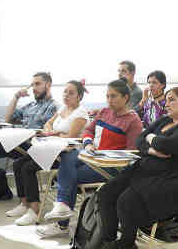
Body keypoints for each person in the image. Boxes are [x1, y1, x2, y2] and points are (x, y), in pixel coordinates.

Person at [85, 87, 178, 249]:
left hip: (171, 180)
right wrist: (151, 149)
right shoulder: (164, 120)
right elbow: (139, 139)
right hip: (144, 171)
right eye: (166, 100)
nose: (167, 104)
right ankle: (108, 239)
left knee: (126, 200)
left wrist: (151, 138)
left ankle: (126, 243)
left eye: (172, 100)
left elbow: (166, 146)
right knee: (106, 192)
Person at [42, 80, 143, 231]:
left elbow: (131, 153)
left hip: (108, 166)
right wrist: (88, 144)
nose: (109, 100)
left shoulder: (133, 121)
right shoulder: (104, 112)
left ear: (126, 97)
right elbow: (88, 130)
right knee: (68, 156)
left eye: (113, 96)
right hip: (90, 155)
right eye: (107, 96)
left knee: (69, 175)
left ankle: (61, 220)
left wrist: (106, 156)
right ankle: (62, 209)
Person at [7, 80, 88, 228]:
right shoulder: (63, 108)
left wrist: (53, 133)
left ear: (79, 96)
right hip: (51, 147)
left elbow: (70, 136)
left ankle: (34, 210)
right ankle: (24, 204)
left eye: (71, 93)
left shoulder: (81, 113)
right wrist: (52, 131)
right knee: (18, 164)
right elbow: (47, 124)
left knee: (28, 168)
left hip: (66, 155)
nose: (66, 95)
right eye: (65, 92)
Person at [0, 71, 57, 199]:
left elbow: (49, 132)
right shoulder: (30, 106)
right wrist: (16, 97)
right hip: (16, 143)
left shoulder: (54, 107)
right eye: (32, 85)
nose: (33, 88)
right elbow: (8, 119)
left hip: (31, 147)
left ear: (48, 85)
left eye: (37, 84)